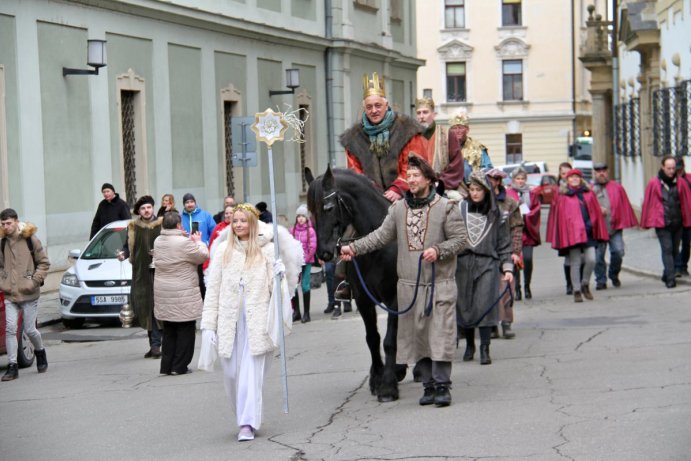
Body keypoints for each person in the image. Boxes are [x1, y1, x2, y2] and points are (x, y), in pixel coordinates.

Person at [340, 155, 466, 407]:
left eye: (416, 176)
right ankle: (429, 385)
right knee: (418, 337)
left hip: (439, 284)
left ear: (429, 180)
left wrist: (439, 250)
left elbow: (461, 240)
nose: (411, 179)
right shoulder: (398, 210)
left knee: (439, 334)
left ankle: (442, 385)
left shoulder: (446, 207)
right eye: (409, 176)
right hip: (409, 285)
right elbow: (379, 236)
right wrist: (354, 248)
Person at [201, 203, 283, 441]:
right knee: (232, 376)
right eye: (235, 221)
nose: (238, 225)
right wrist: (208, 325)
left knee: (250, 375)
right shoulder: (223, 250)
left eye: (243, 221)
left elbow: (275, 290)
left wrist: (281, 276)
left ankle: (247, 423)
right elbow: (213, 289)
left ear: (252, 222)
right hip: (230, 323)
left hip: (256, 323)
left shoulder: (266, 251)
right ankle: (244, 415)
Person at [341, 72, 427, 203]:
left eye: (378, 105)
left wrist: (398, 188)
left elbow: (414, 164)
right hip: (371, 198)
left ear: (386, 106)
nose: (374, 110)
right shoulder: (354, 138)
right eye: (369, 107)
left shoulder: (407, 129)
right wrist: (371, 190)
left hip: (407, 195)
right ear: (365, 109)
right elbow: (355, 170)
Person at [456, 173, 513, 366]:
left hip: (487, 263)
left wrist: (507, 268)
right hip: (463, 263)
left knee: (485, 305)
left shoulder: (496, 213)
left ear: (486, 191)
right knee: (466, 305)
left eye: (479, 190)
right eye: (472, 189)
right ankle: (470, 344)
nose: (475, 193)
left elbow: (504, 243)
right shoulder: (459, 209)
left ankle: (485, 348)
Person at [153, 211, 209, 375]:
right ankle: (179, 366)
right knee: (185, 329)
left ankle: (166, 366)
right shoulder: (184, 242)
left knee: (169, 330)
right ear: (179, 225)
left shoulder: (158, 241)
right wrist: (198, 242)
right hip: (183, 292)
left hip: (164, 292)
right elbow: (202, 256)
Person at [1, 208, 50, 381]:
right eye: (3, 224)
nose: (6, 227)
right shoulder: (2, 243)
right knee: (10, 329)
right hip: (10, 294)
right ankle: (12, 366)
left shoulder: (30, 239)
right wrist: (3, 281)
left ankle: (40, 351)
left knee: (30, 330)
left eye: (8, 223)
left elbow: (43, 263)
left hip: (29, 293)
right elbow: (1, 266)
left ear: (16, 221)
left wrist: (33, 281)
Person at [548, 169, 608, 302]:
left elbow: (595, 212)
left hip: (588, 232)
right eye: (572, 177)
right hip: (572, 234)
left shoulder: (588, 193)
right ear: (567, 180)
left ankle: (585, 283)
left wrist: (589, 224)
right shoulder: (563, 196)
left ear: (581, 179)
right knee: (575, 262)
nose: (575, 179)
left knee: (591, 259)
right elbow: (562, 217)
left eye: (577, 177)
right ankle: (576, 290)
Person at [119, 196, 163, 358]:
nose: (147, 211)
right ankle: (154, 344)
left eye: (149, 208)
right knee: (145, 308)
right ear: (139, 211)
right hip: (141, 274)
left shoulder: (161, 225)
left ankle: (156, 344)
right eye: (143, 208)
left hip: (160, 273)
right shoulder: (133, 227)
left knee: (158, 307)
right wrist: (123, 254)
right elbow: (127, 247)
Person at [641, 155, 691, 288]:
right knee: (667, 248)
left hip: (678, 222)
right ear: (662, 167)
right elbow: (648, 202)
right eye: (669, 168)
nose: (671, 171)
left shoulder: (681, 182)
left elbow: (686, 203)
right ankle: (670, 279)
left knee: (675, 250)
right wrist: (648, 220)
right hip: (662, 222)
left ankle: (666, 273)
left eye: (673, 168)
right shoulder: (654, 183)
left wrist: (687, 220)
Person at [486, 168, 522, 340]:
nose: (490, 182)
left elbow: (516, 228)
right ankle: (491, 324)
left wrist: (516, 251)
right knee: (488, 290)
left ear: (499, 181)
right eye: (488, 179)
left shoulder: (509, 203)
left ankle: (506, 322)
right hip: (486, 252)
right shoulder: (481, 202)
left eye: (493, 179)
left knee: (507, 287)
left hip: (505, 250)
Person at [591, 162, 639, 290]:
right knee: (598, 257)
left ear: (607, 172)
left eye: (604, 171)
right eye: (599, 171)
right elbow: (586, 208)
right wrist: (597, 209)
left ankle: (614, 274)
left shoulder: (617, 187)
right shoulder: (590, 190)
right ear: (594, 173)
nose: (602, 173)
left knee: (618, 252)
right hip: (598, 230)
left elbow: (624, 206)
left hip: (615, 227)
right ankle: (601, 280)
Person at [416, 97, 464, 200]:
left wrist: (441, 183)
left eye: (425, 112)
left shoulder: (447, 134)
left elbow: (456, 164)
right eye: (418, 113)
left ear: (433, 115)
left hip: (443, 187)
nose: (421, 116)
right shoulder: (412, 137)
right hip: (418, 187)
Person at [507, 166, 541, 301]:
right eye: (518, 178)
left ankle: (527, 285)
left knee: (527, 259)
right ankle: (518, 288)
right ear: (513, 179)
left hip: (527, 232)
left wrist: (527, 214)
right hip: (514, 232)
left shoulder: (531, 193)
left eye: (522, 178)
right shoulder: (508, 193)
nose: (520, 181)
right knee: (515, 261)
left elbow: (536, 209)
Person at [549, 162, 578, 295]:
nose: (566, 176)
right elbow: (554, 210)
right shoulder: (557, 190)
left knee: (579, 257)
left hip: (577, 228)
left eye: (568, 173)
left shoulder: (578, 187)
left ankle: (578, 281)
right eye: (563, 173)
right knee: (568, 257)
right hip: (564, 228)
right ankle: (569, 284)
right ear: (560, 175)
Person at [180, 193, 216, 298]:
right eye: (187, 202)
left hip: (203, 253)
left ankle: (205, 301)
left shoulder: (205, 215)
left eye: (192, 201)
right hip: (187, 255)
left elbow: (214, 232)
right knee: (190, 281)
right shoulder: (180, 218)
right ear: (183, 204)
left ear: (195, 202)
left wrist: (207, 244)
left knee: (203, 280)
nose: (190, 204)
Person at [446, 110, 493, 182]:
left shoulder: (478, 148)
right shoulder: (445, 148)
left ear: (467, 130)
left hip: (473, 187)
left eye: (461, 127)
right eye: (454, 128)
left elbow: (488, 170)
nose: (457, 131)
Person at [290, 204, 317, 323]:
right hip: (295, 263)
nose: (300, 218)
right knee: (294, 286)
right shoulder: (293, 230)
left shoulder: (310, 231)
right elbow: (289, 245)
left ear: (307, 218)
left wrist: (305, 259)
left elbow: (313, 247)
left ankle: (307, 313)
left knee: (305, 285)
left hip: (306, 262)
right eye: (298, 216)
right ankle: (297, 312)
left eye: (303, 216)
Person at [203, 204, 234, 273]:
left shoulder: (238, 227)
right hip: (219, 260)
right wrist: (207, 265)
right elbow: (211, 245)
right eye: (226, 213)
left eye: (231, 213)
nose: (228, 215)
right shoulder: (218, 227)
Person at [674, 157, 691, 277]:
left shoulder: (689, 179)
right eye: (676, 170)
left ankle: (683, 266)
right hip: (675, 217)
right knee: (674, 244)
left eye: (680, 169)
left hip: (688, 217)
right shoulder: (671, 181)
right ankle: (677, 267)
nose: (678, 172)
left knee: (686, 243)